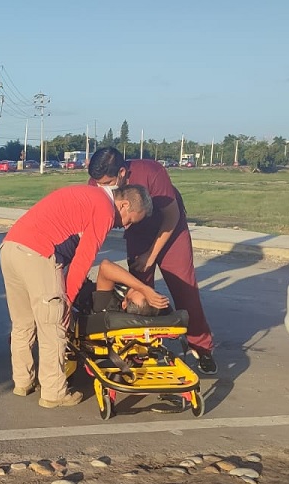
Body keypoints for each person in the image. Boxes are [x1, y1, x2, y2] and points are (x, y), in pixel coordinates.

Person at [0, 183, 156, 408]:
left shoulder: (87, 194)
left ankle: (23, 381)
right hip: (39, 252)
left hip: (11, 247)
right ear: (124, 205)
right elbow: (83, 260)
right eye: (130, 219)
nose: (125, 226)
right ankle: (54, 393)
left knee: (23, 323)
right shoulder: (104, 210)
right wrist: (67, 301)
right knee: (53, 326)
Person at [88, 149, 218, 375]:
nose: (102, 188)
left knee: (184, 289)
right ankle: (142, 346)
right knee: (139, 291)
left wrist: (151, 255)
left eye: (107, 183)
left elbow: (172, 216)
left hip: (169, 230)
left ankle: (201, 346)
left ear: (122, 173)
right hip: (137, 230)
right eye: (98, 184)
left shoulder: (152, 172)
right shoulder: (96, 184)